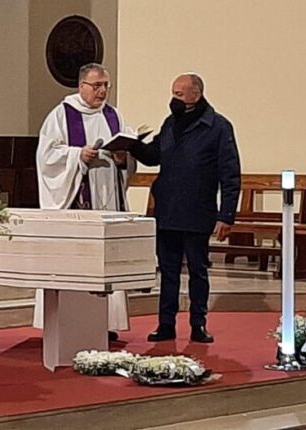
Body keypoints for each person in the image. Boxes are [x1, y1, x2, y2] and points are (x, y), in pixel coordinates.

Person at [129, 73, 241, 343]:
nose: (174, 99)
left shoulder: (217, 126)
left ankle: (198, 324)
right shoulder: (171, 123)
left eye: (179, 94)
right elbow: (154, 155)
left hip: (198, 210)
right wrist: (132, 146)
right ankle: (166, 324)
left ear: (196, 94)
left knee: (197, 271)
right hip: (168, 210)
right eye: (173, 93)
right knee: (167, 271)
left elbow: (230, 173)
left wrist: (226, 215)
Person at [34, 63, 136, 340]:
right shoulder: (61, 114)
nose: (102, 91)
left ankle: (107, 322)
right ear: (81, 86)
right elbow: (46, 157)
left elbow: (127, 152)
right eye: (97, 85)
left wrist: (123, 158)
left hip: (108, 198)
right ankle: (68, 318)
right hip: (77, 198)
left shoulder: (113, 115)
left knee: (106, 259)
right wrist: (77, 155)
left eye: (106, 85)